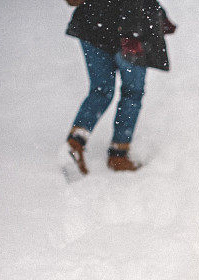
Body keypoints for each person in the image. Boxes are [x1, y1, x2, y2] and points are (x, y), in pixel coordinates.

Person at [63, 0, 176, 174]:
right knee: (132, 93)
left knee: (101, 91)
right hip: (129, 34)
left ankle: (75, 143)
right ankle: (118, 154)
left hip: (92, 27)